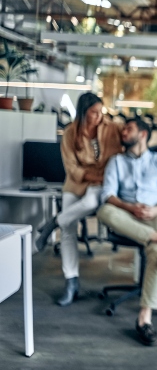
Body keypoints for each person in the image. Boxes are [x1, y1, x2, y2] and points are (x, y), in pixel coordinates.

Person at [97, 118, 157, 346]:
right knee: (104, 211)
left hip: (155, 213)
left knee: (155, 251)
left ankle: (144, 319)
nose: (124, 133)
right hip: (126, 212)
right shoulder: (116, 161)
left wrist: (155, 209)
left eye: (129, 129)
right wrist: (130, 208)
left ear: (143, 134)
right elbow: (107, 195)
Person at [36, 92, 123, 307]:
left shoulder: (112, 128)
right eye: (94, 113)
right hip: (77, 182)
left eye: (100, 111)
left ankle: (53, 222)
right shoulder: (70, 133)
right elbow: (72, 169)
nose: (99, 116)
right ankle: (71, 281)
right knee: (68, 230)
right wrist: (92, 175)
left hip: (102, 184)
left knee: (91, 203)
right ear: (84, 112)